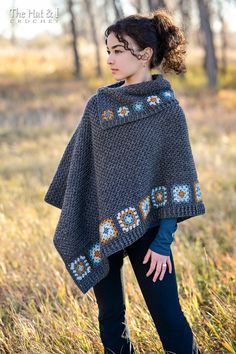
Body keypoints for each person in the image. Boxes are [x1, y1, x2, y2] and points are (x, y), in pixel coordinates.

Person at [44, 9, 205, 354]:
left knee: (169, 316)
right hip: (100, 224)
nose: (111, 59)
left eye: (119, 50)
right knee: (111, 317)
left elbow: (177, 180)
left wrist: (163, 242)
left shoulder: (166, 110)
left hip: (148, 233)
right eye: (108, 50)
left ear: (145, 54)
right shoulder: (99, 105)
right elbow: (81, 167)